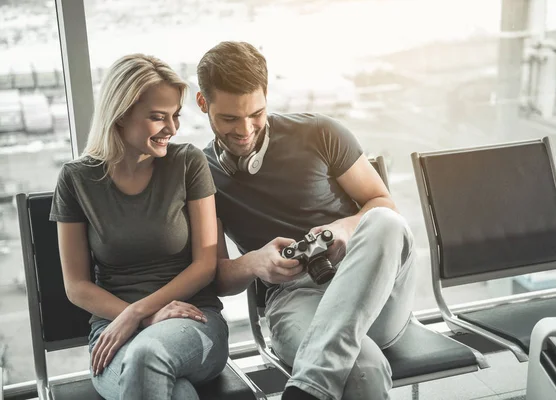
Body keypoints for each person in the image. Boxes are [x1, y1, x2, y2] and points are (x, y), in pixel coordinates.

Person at [197, 41, 417, 400]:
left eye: (256, 113)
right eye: (229, 119)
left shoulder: (320, 132)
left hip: (374, 291)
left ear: (267, 95)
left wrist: (344, 228)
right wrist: (256, 262)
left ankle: (309, 389)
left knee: (385, 223)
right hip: (296, 299)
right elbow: (218, 278)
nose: (246, 129)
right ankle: (316, 383)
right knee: (363, 371)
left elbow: (383, 203)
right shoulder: (202, 175)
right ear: (203, 104)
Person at [50, 54, 228, 400]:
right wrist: (138, 318)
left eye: (175, 116)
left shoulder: (187, 162)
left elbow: (205, 264)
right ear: (120, 114)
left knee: (149, 355)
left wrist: (140, 312)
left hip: (195, 323)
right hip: (115, 332)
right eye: (157, 117)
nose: (172, 129)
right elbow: (77, 286)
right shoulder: (76, 179)